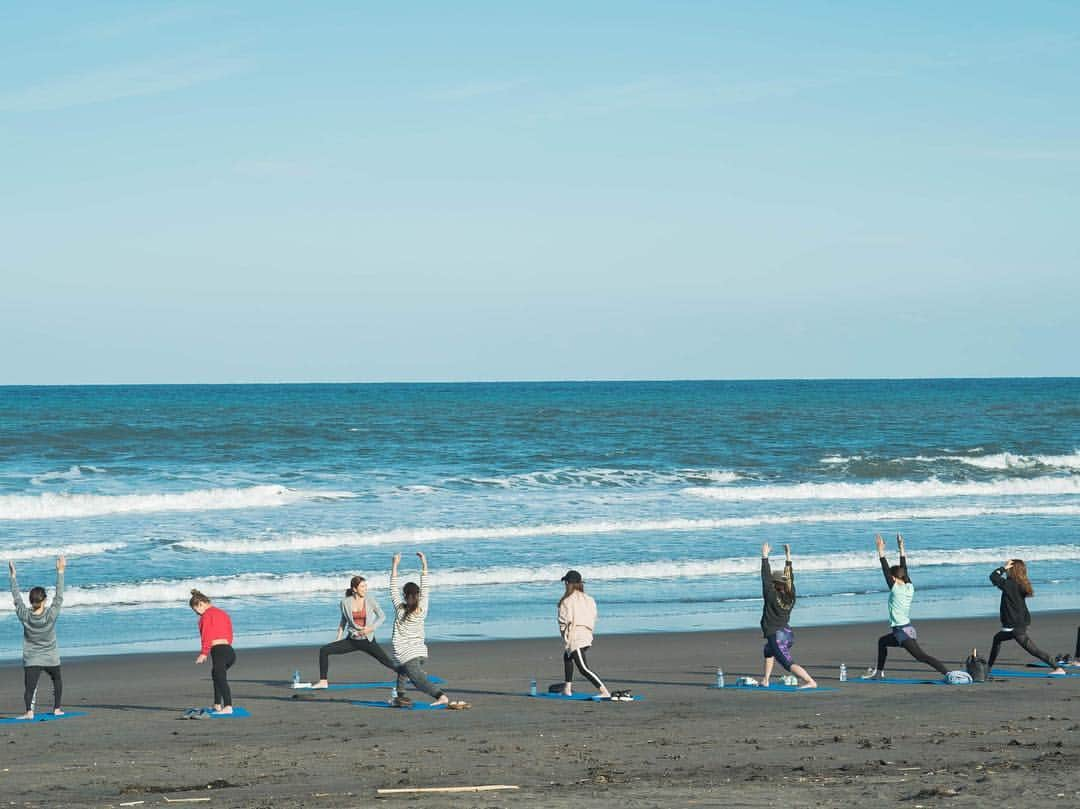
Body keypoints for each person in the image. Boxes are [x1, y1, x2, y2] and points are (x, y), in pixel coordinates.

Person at [860, 534, 949, 679]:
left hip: (902, 632)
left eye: (891, 577)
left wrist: (880, 551)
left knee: (921, 657)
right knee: (882, 642)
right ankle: (879, 672)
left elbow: (885, 569)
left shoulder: (895, 588)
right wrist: (901, 547)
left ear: (894, 578)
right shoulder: (909, 587)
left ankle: (948, 673)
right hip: (904, 629)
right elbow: (904, 569)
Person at [390, 552, 463, 708]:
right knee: (403, 671)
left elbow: (392, 588)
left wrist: (395, 564)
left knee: (418, 681)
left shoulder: (400, 609)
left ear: (404, 595)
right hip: (421, 654)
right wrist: (424, 563)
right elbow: (426, 586)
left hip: (407, 655)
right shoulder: (422, 608)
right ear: (418, 595)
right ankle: (400, 696)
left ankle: (441, 696)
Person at [312, 575, 396, 688]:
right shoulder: (345, 603)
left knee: (387, 662)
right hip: (352, 640)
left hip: (368, 640)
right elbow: (343, 620)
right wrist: (338, 637)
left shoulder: (370, 600)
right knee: (324, 650)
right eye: (362, 586)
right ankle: (323, 681)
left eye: (366, 586)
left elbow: (382, 616)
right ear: (354, 589)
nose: (365, 589)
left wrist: (370, 629)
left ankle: (408, 674)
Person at [8, 556, 66, 719]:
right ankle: (57, 709)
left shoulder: (25, 615)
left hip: (32, 657)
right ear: (44, 600)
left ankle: (29, 711)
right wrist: (60, 571)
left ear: (31, 601)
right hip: (51, 656)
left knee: (30, 686)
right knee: (57, 680)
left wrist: (13, 577)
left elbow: (17, 599)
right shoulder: (51, 615)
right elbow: (59, 597)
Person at [986, 560, 1066, 675]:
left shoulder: (1010, 585)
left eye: (1009, 568)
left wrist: (1003, 568)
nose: (1007, 569)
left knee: (1033, 650)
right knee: (997, 638)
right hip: (1018, 623)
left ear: (1012, 570)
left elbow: (993, 577)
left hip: (1016, 626)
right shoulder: (1020, 583)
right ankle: (988, 667)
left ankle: (1057, 668)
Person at [760, 543, 816, 688]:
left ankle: (810, 681)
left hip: (777, 636)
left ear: (774, 584)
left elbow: (765, 578)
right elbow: (790, 577)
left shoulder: (771, 595)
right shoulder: (791, 595)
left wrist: (765, 556)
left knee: (787, 663)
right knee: (768, 650)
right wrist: (788, 557)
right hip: (787, 634)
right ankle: (766, 680)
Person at [557, 570, 612, 699]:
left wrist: (567, 638)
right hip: (587, 634)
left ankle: (604, 691)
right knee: (567, 657)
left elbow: (563, 622)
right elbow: (594, 617)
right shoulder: (590, 599)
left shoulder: (566, 601)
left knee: (583, 669)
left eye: (565, 582)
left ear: (568, 583)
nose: (564, 585)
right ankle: (567, 688)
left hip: (575, 637)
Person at [189, 589, 237, 714]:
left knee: (219, 676)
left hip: (219, 651)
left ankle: (228, 706)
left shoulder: (205, 616)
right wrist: (226, 647)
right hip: (229, 651)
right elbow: (230, 633)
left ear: (200, 604)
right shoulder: (223, 613)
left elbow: (206, 636)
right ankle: (217, 705)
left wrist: (204, 653)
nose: (197, 614)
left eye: (196, 611)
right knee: (216, 675)